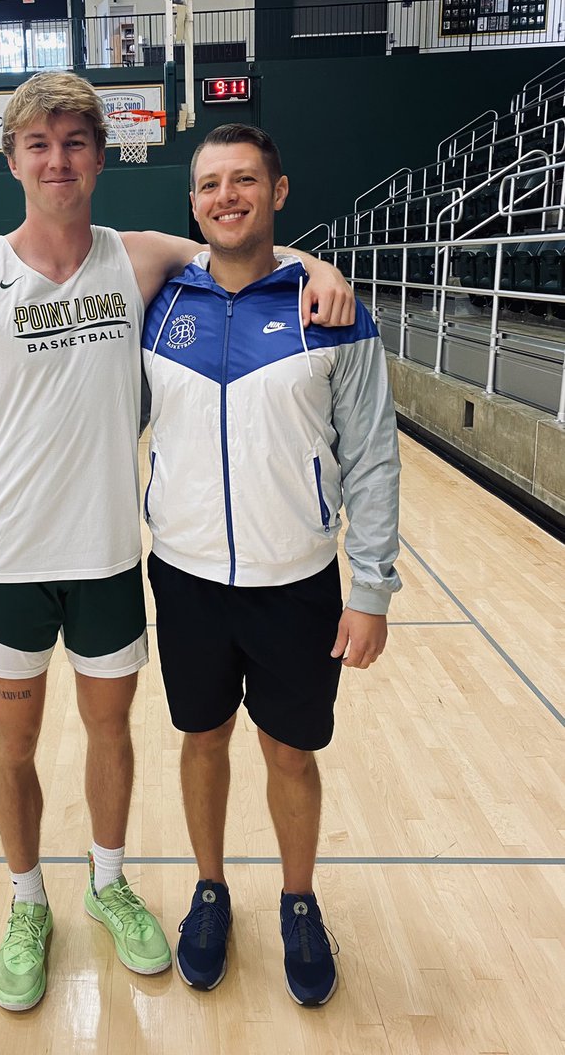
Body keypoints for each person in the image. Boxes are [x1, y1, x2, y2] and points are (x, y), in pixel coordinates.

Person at [0, 73, 354, 1013]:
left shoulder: (141, 258)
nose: (58, 159)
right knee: (13, 742)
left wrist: (318, 265)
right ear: (13, 159)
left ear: (100, 158)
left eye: (75, 142)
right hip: (12, 563)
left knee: (111, 733)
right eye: (39, 144)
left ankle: (109, 883)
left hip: (115, 555)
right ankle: (28, 902)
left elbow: (243, 246)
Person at [141, 123, 401, 1004]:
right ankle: (209, 890)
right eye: (211, 184)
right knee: (201, 738)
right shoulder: (159, 304)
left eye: (244, 180)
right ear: (193, 202)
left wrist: (370, 587)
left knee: (290, 753)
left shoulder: (331, 309)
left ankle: (298, 901)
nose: (226, 197)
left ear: (278, 193)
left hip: (297, 582)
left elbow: (371, 455)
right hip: (183, 576)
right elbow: (93, 414)